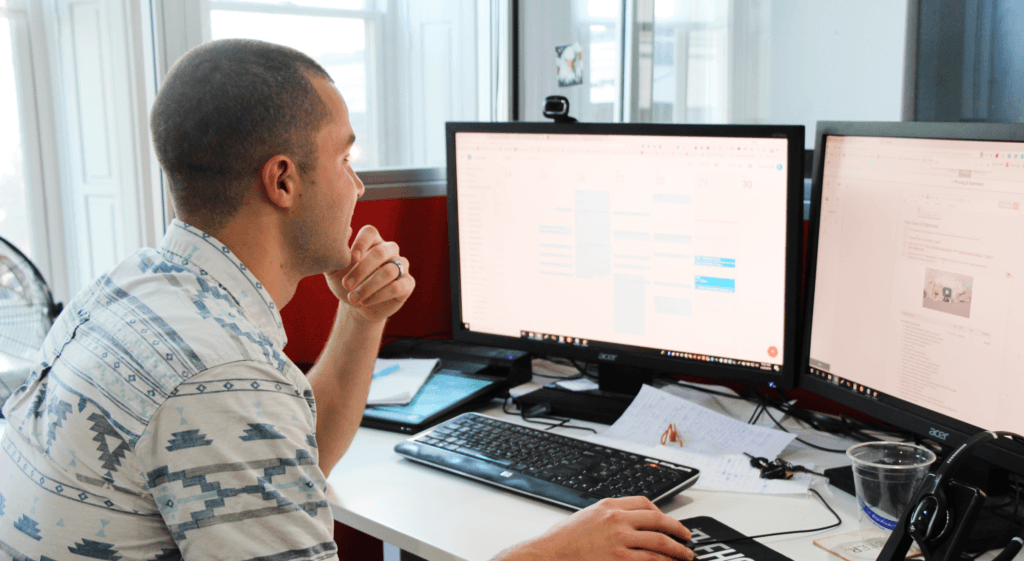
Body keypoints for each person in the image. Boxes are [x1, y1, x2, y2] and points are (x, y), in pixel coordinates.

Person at [0, 39, 694, 561]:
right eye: (344, 157)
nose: (358, 185)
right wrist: (553, 552)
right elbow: (245, 411)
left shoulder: (132, 288)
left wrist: (363, 316)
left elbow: (297, 454)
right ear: (283, 180)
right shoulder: (221, 375)